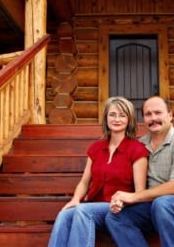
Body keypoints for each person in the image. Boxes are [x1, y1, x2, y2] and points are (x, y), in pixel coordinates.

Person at [48, 96, 149, 247]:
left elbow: (140, 192)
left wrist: (122, 202)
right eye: (112, 115)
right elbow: (84, 182)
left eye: (122, 115)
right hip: (93, 207)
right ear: (106, 118)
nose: (117, 119)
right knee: (64, 215)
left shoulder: (137, 149)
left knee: (82, 210)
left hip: (119, 209)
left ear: (129, 120)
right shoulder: (96, 148)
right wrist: (75, 199)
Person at [106, 96, 174, 247]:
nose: (153, 118)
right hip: (153, 205)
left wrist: (134, 197)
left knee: (163, 204)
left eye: (158, 113)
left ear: (170, 115)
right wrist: (121, 200)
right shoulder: (140, 144)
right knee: (115, 217)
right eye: (148, 114)